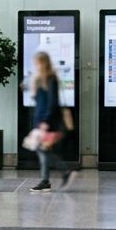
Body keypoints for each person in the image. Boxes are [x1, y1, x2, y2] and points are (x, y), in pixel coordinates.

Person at [28, 50, 77, 192]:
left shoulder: (51, 79)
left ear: (43, 63)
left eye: (37, 63)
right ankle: (53, 177)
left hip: (46, 121)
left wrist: (45, 121)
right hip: (41, 119)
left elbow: (52, 102)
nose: (35, 65)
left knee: (41, 148)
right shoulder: (40, 79)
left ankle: (53, 176)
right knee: (42, 148)